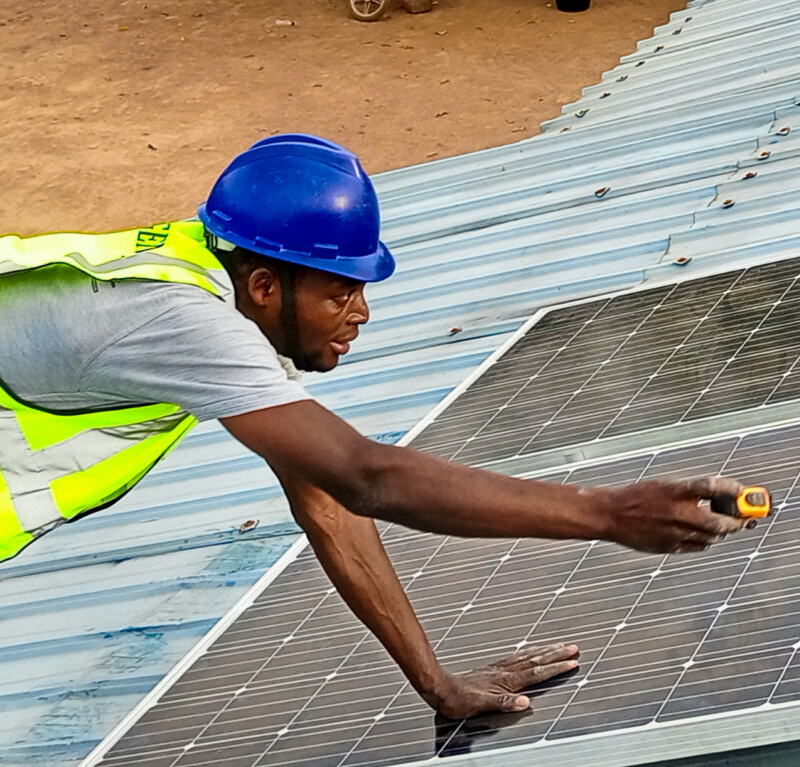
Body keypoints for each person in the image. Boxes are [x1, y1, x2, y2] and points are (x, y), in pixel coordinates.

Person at [0, 134, 748, 715]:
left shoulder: (226, 289)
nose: (360, 314)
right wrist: (607, 513)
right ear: (266, 286)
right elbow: (366, 477)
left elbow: (328, 496)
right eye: (340, 294)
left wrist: (438, 684)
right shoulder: (181, 320)